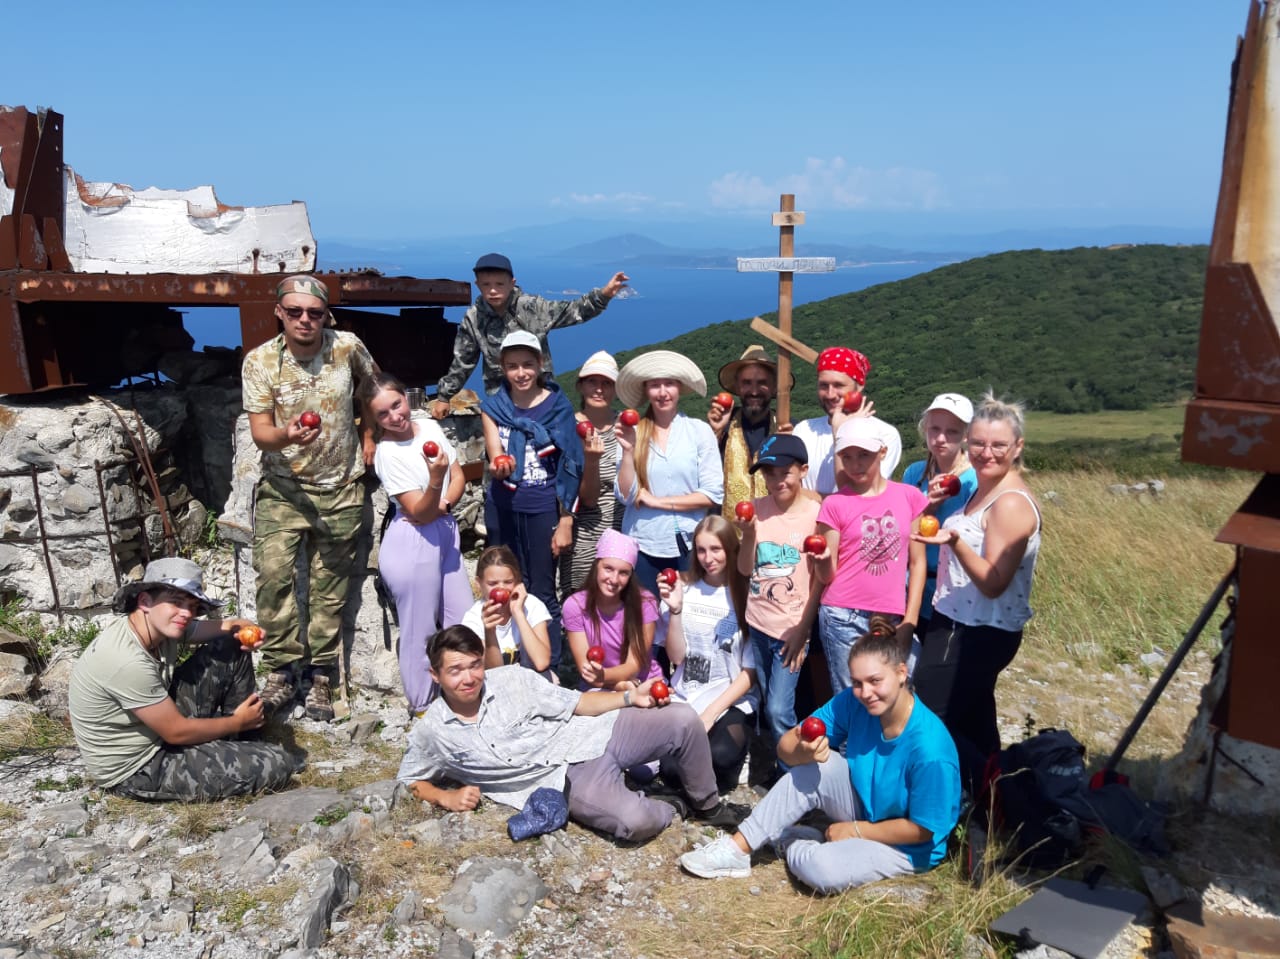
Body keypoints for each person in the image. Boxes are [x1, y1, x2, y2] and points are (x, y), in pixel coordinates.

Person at [678, 617, 961, 893]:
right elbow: (785, 746)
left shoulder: (930, 749)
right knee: (817, 767)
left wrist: (856, 830)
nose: (866, 692)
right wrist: (802, 751)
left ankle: (793, 841)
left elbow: (922, 830)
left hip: (909, 846)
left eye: (875, 680)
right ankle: (738, 848)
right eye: (858, 682)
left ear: (902, 673)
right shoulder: (854, 701)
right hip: (865, 805)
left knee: (821, 871)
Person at [397, 624, 744, 842]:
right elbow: (410, 779)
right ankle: (672, 805)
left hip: (592, 731)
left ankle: (708, 805)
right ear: (435, 675)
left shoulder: (512, 679)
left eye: (474, 665)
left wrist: (628, 698)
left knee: (682, 718)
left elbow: (576, 703)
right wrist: (445, 798)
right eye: (456, 670)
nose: (469, 677)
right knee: (634, 821)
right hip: (563, 778)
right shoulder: (433, 732)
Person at [241, 274, 378, 721]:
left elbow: (372, 395)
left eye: (314, 312)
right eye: (295, 311)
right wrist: (287, 434)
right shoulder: (260, 361)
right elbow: (261, 433)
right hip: (284, 490)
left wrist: (370, 439)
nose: (305, 319)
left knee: (329, 587)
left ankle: (321, 678)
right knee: (274, 577)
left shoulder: (348, 347)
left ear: (326, 315)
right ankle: (281, 670)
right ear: (279, 313)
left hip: (341, 486)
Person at [68, 558, 297, 801]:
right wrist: (236, 722)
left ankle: (245, 740)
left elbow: (225, 627)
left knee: (230, 642)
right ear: (145, 601)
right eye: (176, 603)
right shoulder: (125, 661)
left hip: (156, 727)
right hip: (139, 766)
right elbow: (176, 732)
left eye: (193, 606)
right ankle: (243, 734)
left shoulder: (158, 625)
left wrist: (244, 627)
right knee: (280, 763)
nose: (186, 613)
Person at [912, 394, 1042, 785]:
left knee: (929, 720)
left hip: (976, 631)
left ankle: (953, 798)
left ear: (1017, 447)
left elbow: (993, 583)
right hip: (956, 619)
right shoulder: (979, 490)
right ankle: (995, 797)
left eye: (999, 445)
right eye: (979, 443)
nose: (987, 453)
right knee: (974, 719)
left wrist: (955, 543)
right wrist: (932, 507)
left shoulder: (1010, 504)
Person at [362, 372, 472, 717]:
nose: (395, 416)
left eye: (396, 404)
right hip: (411, 544)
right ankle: (423, 706)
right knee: (419, 630)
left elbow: (461, 478)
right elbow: (418, 512)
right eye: (383, 414)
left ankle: (465, 695)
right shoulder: (387, 454)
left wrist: (444, 505)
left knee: (464, 619)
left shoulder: (430, 429)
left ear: (405, 397)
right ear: (374, 420)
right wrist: (436, 481)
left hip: (444, 531)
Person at [480, 330, 583, 672]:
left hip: (542, 509)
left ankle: (545, 666)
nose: (521, 373)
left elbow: (572, 466)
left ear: (541, 364)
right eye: (512, 366)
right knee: (503, 585)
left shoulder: (559, 408)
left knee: (541, 589)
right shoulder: (494, 407)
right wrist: (501, 466)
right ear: (502, 368)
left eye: (527, 364)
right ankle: (507, 662)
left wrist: (566, 519)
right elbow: (495, 452)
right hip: (503, 508)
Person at [431, 253, 630, 414]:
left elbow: (573, 311)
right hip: (501, 402)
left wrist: (603, 295)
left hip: (542, 396)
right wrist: (444, 397)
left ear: (512, 283)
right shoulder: (474, 318)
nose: (492, 291)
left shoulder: (532, 308)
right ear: (477, 285)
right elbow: (463, 361)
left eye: (499, 284)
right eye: (486, 285)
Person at [812, 418, 928, 693]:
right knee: (853, 695)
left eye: (864, 455)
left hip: (893, 616)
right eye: (847, 457)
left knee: (901, 692)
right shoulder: (834, 504)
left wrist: (910, 623)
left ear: (882, 452)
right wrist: (822, 561)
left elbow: (918, 562)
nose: (855, 465)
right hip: (842, 615)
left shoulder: (909, 497)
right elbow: (828, 574)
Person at [735, 434, 822, 782]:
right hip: (758, 621)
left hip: (791, 630)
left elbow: (819, 580)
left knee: (778, 707)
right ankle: (781, 760)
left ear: (802, 471)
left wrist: (803, 630)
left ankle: (792, 773)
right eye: (769, 473)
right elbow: (744, 569)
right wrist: (750, 535)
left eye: (785, 471)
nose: (777, 480)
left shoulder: (816, 515)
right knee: (771, 698)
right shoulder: (755, 509)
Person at [656, 515, 756, 795]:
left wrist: (712, 714)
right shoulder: (685, 589)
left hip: (729, 697)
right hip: (689, 691)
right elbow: (677, 657)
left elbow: (750, 672)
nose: (707, 558)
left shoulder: (745, 595)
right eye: (701, 550)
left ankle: (745, 752)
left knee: (720, 756)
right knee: (672, 770)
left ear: (730, 549)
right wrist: (675, 611)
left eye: (716, 549)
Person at [615, 350, 724, 593]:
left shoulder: (699, 431)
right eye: (655, 385)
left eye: (669, 384)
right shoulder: (633, 432)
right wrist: (627, 451)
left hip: (691, 543)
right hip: (642, 543)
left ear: (679, 388)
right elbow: (625, 495)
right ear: (646, 391)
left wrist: (657, 501)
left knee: (686, 618)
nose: (663, 392)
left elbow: (712, 494)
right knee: (646, 618)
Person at [900, 393, 979, 635]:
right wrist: (926, 507)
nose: (941, 439)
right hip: (913, 584)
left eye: (952, 432)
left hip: (955, 587)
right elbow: (901, 530)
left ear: (966, 435)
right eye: (934, 429)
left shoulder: (973, 480)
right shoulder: (914, 473)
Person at [791, 346, 900, 495]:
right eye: (823, 385)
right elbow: (790, 492)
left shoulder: (884, 435)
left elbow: (863, 495)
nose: (830, 394)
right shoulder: (804, 430)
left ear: (860, 386)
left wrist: (839, 433)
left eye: (839, 385)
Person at [560, 351, 624, 599]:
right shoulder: (565, 428)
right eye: (592, 382)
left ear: (616, 389)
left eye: (607, 383)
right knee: (581, 601)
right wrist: (592, 462)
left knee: (616, 606)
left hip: (620, 529)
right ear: (580, 386)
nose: (599, 389)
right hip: (582, 532)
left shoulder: (628, 427)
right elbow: (583, 497)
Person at [564, 530, 663, 690]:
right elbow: (587, 670)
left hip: (643, 684)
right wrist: (617, 684)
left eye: (623, 573)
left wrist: (604, 676)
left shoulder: (645, 603)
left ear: (631, 575)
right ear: (596, 566)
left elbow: (633, 665)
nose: (614, 579)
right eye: (608, 569)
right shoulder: (575, 605)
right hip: (599, 686)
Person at [707, 345, 789, 521]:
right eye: (747, 383)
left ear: (774, 387)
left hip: (773, 534)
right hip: (726, 537)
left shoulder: (787, 428)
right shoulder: (722, 426)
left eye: (762, 383)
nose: (754, 391)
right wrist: (714, 432)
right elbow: (699, 472)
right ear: (737, 386)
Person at [462, 546, 553, 677]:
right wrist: (490, 632)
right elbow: (493, 673)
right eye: (492, 583)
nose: (501, 588)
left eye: (508, 582)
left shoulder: (531, 605)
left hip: (533, 679)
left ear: (517, 581)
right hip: (497, 683)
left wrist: (519, 614)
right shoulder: (473, 618)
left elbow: (541, 662)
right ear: (478, 583)